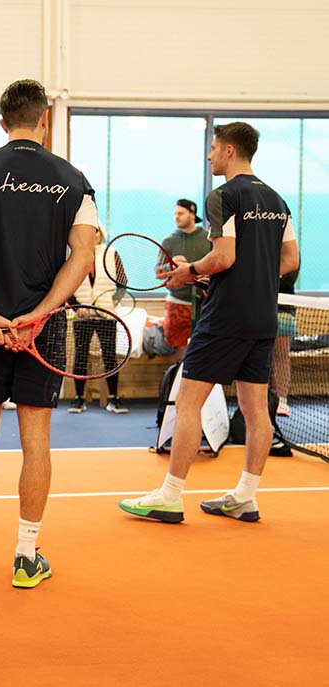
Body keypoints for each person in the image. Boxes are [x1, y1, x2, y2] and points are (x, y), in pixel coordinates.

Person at [0, 79, 99, 588]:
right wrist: (41, 315)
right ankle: (27, 556)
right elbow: (83, 255)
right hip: (42, 331)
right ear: (44, 118)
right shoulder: (74, 180)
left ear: (3, 121)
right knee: (37, 440)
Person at [119, 122, 299, 524]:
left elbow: (224, 257)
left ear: (230, 151)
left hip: (225, 317)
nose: (210, 154)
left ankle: (169, 496)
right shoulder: (278, 200)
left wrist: (190, 271)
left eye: (214, 148)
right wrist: (237, 276)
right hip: (263, 317)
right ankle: (245, 497)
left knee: (188, 402)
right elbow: (289, 261)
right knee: (256, 410)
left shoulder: (222, 196)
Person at [67, 229, 128, 414]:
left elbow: (122, 284)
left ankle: (113, 400)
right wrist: (77, 307)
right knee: (80, 356)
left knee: (109, 356)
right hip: (81, 317)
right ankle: (78, 399)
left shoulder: (112, 253)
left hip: (106, 315)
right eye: (89, 231)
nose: (92, 235)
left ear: (100, 234)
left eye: (96, 232)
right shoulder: (73, 255)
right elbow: (65, 286)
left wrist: (111, 303)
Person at [160, 199, 211, 360]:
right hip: (177, 304)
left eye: (181, 213)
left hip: (205, 304)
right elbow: (159, 271)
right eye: (175, 213)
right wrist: (171, 266)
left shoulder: (208, 239)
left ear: (192, 214)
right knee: (179, 350)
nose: (176, 217)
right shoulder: (168, 241)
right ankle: (178, 375)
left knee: (204, 348)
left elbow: (219, 265)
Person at [272, 268, 299, 417]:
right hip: (256, 310)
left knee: (281, 357)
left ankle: (282, 400)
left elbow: (287, 283)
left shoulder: (291, 257)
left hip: (283, 311)